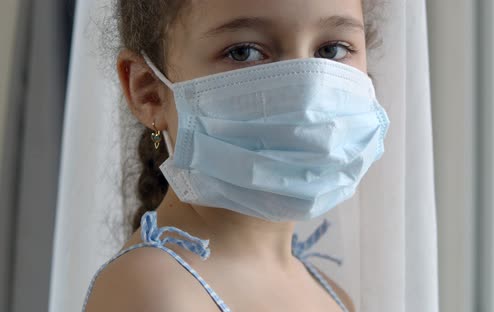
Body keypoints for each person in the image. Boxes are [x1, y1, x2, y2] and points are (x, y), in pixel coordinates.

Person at [83, 0, 389, 311]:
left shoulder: (332, 296)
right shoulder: (152, 290)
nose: (307, 92)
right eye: (244, 52)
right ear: (149, 91)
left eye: (332, 50)